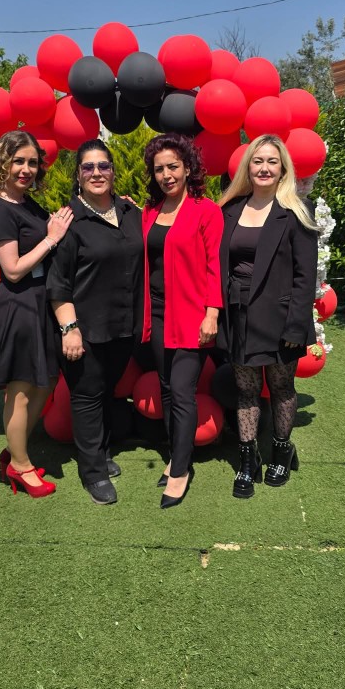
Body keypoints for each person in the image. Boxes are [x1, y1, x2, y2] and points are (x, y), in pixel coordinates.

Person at [0, 130, 73, 498]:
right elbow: (12, 269)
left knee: (44, 384)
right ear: (3, 162)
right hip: (18, 306)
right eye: (19, 161)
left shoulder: (27, 203)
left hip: (40, 303)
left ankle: (15, 454)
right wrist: (51, 238)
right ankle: (20, 465)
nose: (26, 169)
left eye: (32, 162)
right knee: (21, 391)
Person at [218, 134, 318, 499]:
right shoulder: (230, 209)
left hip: (280, 317)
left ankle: (280, 452)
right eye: (257, 161)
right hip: (238, 314)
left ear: (283, 168)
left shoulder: (296, 211)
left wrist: (297, 323)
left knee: (281, 387)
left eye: (272, 161)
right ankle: (249, 460)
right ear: (248, 167)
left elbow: (305, 275)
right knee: (245, 390)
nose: (264, 168)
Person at [47, 139, 143, 506]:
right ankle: (93, 473)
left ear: (113, 172)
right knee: (87, 397)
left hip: (124, 326)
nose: (97, 173)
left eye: (103, 166)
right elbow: (59, 283)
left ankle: (100, 453)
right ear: (78, 175)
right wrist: (69, 329)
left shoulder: (130, 212)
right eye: (88, 167)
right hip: (84, 328)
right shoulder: (69, 221)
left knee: (104, 392)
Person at [142, 133, 224, 509]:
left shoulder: (206, 211)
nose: (166, 175)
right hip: (157, 314)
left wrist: (212, 313)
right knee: (166, 389)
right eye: (159, 169)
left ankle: (180, 471)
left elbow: (215, 266)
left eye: (173, 166)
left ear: (188, 168)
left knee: (181, 391)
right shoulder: (150, 212)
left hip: (192, 315)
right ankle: (177, 454)